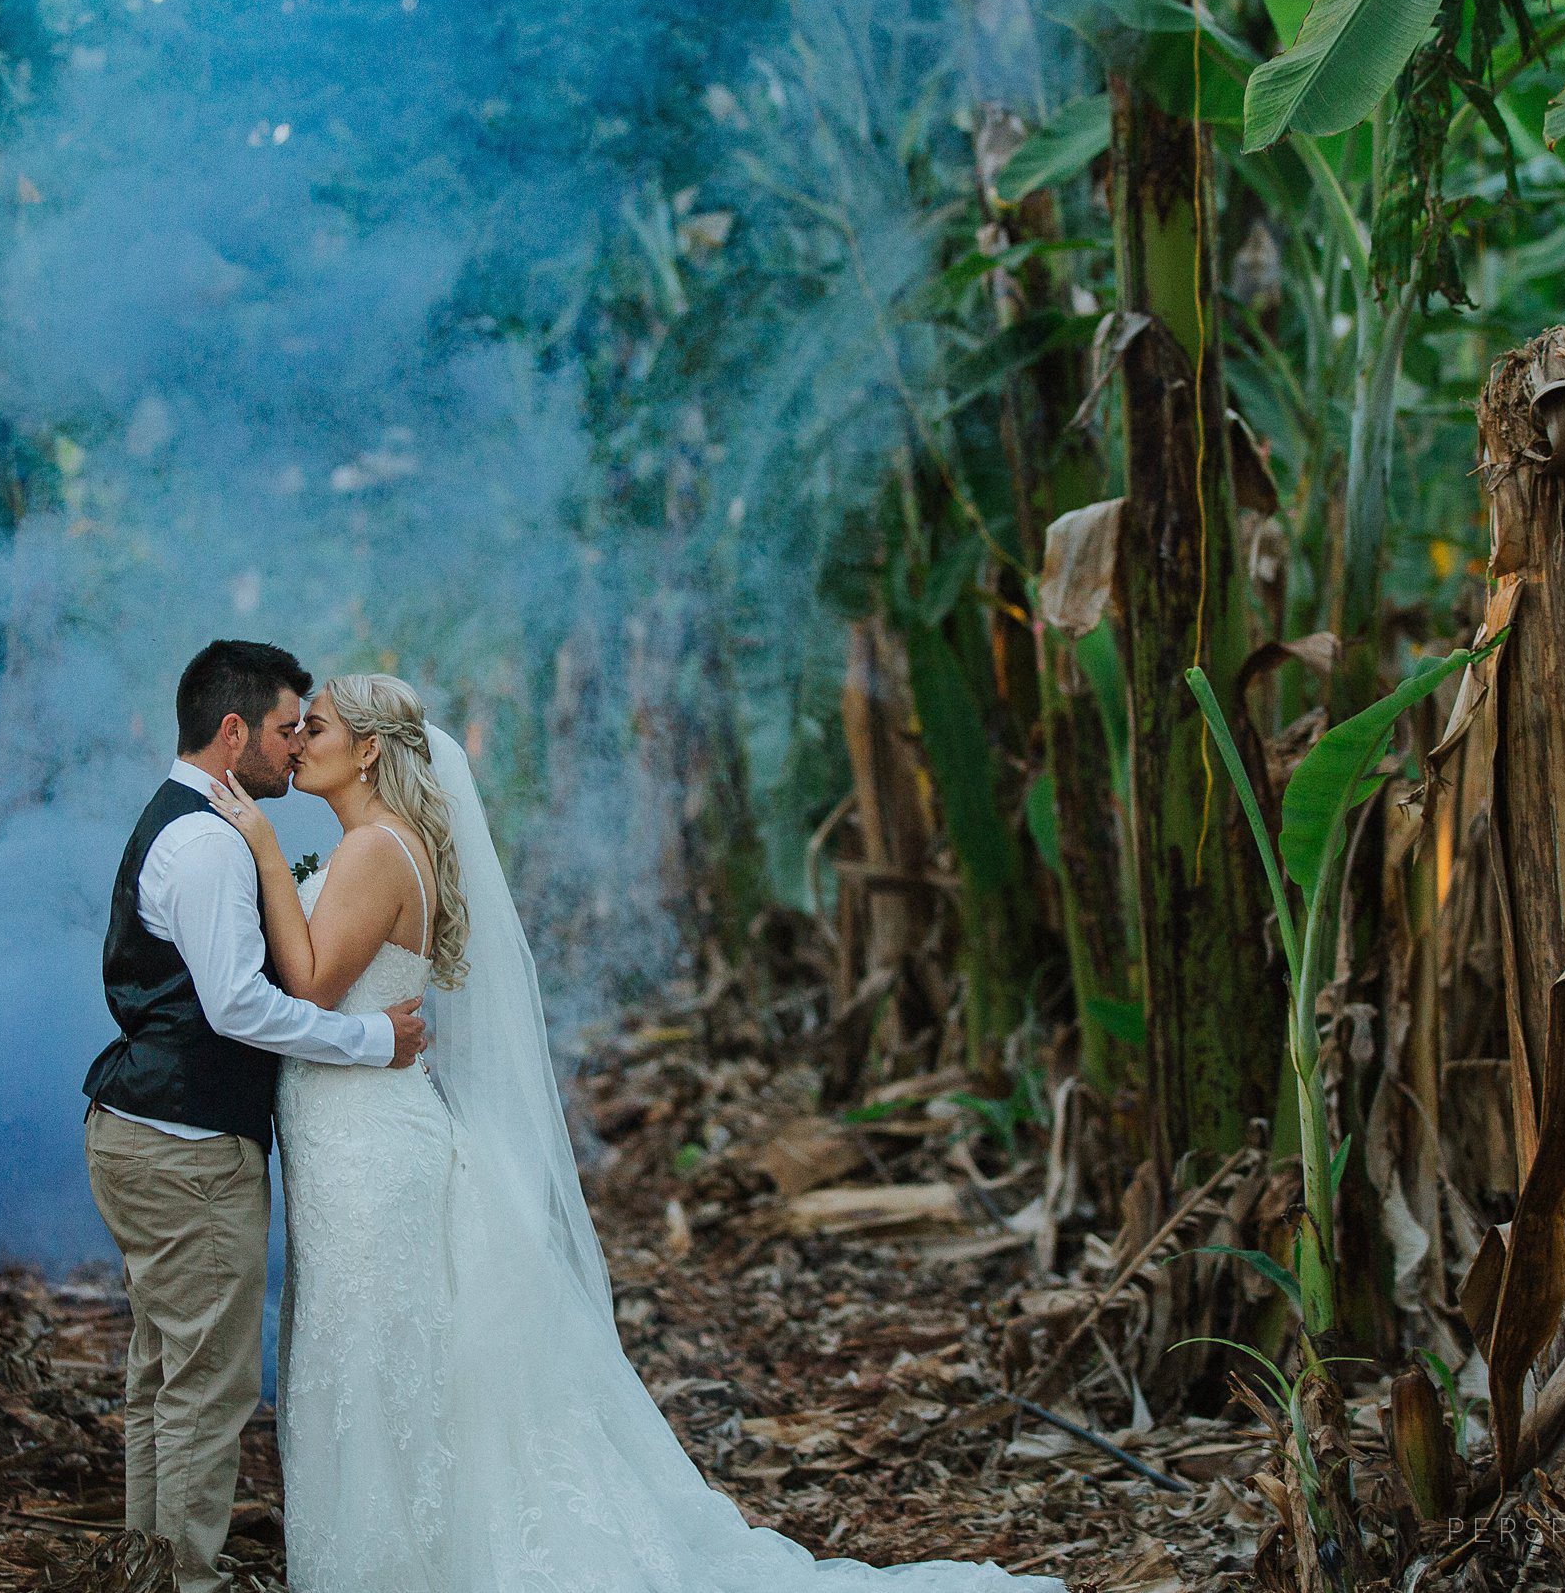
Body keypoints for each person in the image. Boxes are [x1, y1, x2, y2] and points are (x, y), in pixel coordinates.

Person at [204, 671, 1065, 1593]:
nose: (295, 741)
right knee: (365, 1353)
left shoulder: (376, 848)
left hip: (371, 1145)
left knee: (374, 1357)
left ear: (369, 748)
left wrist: (259, 844)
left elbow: (312, 987)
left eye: (317, 727)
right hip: (355, 1134)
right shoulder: (371, 844)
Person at [81, 639, 430, 1593]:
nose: (295, 744)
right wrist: (372, 1043)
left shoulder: (198, 826)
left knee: (165, 1370)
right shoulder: (204, 843)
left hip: (154, 1130)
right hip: (184, 1147)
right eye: (285, 728)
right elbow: (237, 1004)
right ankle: (180, 1579)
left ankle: (146, 1568)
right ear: (233, 733)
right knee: (206, 1382)